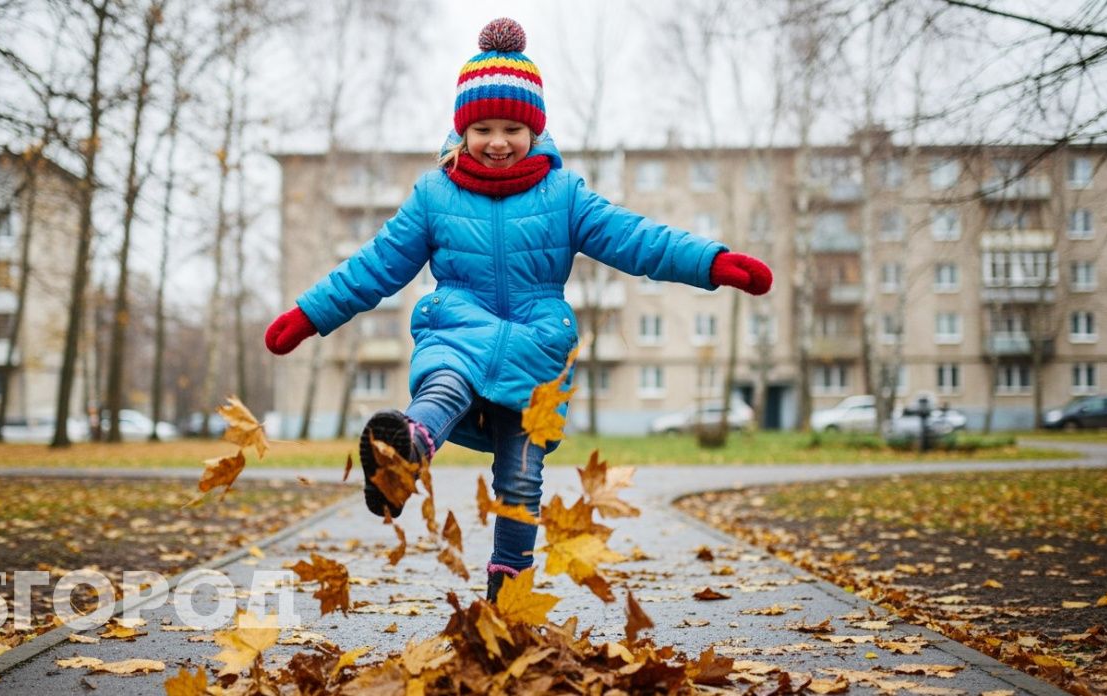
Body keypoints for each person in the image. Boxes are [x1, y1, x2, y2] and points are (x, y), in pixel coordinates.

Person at [265, 18, 773, 601]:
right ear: (462, 130)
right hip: (457, 330)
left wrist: (711, 262)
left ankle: (509, 592)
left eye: (512, 127)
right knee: (444, 387)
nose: (498, 141)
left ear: (535, 129)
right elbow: (374, 266)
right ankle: (403, 454)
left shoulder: (565, 196)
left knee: (521, 477)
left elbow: (637, 240)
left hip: (537, 354)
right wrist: (308, 315)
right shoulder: (434, 194)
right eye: (482, 127)